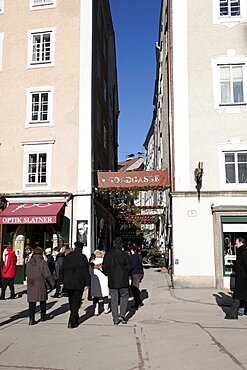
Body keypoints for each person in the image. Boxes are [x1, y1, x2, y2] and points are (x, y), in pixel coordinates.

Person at [59, 241, 90, 329]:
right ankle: (72, 321)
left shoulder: (68, 256)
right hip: (78, 283)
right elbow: (85, 271)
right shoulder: (83, 257)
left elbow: (62, 270)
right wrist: (87, 283)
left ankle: (75, 317)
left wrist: (61, 281)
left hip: (68, 283)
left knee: (71, 302)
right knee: (76, 302)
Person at [102, 237, 132, 325]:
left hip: (112, 280)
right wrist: (126, 274)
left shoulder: (108, 255)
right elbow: (129, 267)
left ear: (114, 244)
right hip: (123, 280)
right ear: (121, 244)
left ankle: (115, 318)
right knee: (124, 297)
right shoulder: (124, 254)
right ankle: (122, 315)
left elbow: (104, 268)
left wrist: (109, 274)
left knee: (114, 299)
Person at [26, 247, 55, 325]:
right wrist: (52, 283)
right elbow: (47, 274)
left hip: (31, 284)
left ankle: (31, 319)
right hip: (40, 283)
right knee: (42, 300)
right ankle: (43, 316)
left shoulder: (29, 263)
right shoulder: (43, 262)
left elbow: (26, 272)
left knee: (32, 302)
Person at [225, 237, 247, 319]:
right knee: (241, 296)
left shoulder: (244, 252)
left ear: (241, 242)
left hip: (243, 280)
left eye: (236, 243)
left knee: (237, 297)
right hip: (241, 279)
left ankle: (233, 314)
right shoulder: (241, 252)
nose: (235, 245)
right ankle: (240, 311)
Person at [90, 251, 110, 316]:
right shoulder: (104, 261)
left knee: (96, 296)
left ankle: (96, 310)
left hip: (95, 280)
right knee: (105, 295)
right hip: (104, 280)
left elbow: (90, 271)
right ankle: (106, 309)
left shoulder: (92, 262)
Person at [130, 244, 144, 309]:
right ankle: (138, 301)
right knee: (134, 287)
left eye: (131, 250)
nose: (130, 251)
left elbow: (132, 265)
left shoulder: (134, 257)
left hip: (135, 273)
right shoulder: (138, 256)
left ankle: (137, 302)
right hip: (139, 273)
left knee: (134, 288)